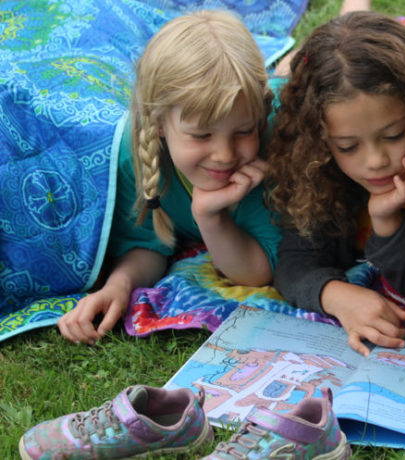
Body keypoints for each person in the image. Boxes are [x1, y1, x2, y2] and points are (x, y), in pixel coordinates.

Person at [57, 10, 282, 344]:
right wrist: (118, 285)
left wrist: (209, 216)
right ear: (159, 124)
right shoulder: (136, 154)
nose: (225, 154)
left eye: (243, 131)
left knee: (320, 62)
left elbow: (258, 271)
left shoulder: (271, 143)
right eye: (201, 136)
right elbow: (148, 244)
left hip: (287, 93)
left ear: (259, 119)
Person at [268, 11, 405, 356]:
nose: (376, 161)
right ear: (319, 142)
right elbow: (294, 262)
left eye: (394, 135)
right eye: (348, 146)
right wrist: (337, 295)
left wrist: (387, 222)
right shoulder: (318, 172)